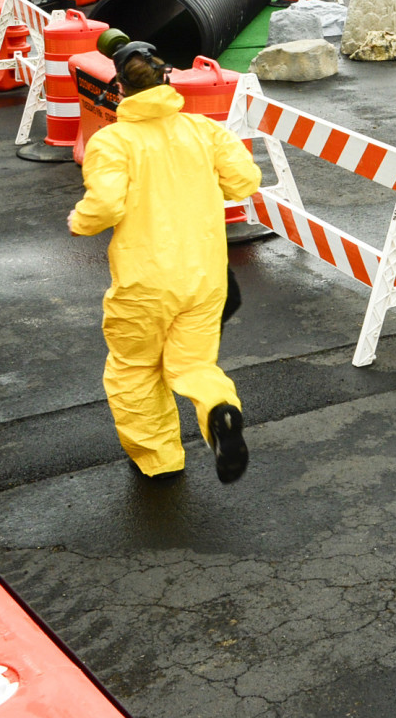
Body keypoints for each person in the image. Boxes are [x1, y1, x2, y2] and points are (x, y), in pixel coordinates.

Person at [68, 37, 261, 483]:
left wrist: (78, 221)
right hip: (204, 278)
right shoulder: (204, 131)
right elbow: (245, 182)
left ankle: (160, 462)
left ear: (119, 88)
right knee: (194, 365)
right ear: (166, 77)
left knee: (134, 370)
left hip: (144, 283)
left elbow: (105, 207)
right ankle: (220, 410)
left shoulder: (112, 141)